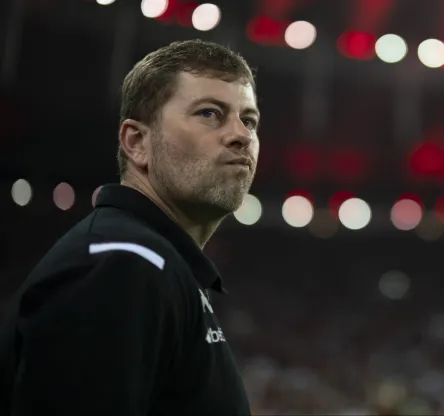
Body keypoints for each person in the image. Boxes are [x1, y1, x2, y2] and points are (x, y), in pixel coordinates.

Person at [0, 39, 259, 415]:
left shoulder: (151, 263)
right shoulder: (123, 264)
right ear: (137, 142)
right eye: (209, 114)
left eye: (248, 119)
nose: (241, 135)